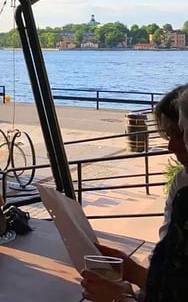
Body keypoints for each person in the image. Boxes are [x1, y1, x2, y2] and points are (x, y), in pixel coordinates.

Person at [80, 84, 188, 302]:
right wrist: (135, 274)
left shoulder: (185, 200)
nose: (172, 147)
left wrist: (118, 299)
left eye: (182, 133)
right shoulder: (182, 183)